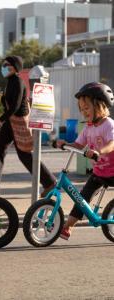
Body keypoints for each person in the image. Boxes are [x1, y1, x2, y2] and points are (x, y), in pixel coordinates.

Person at [0, 56, 56, 198]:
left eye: (7, 65)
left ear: (15, 68)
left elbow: (15, 106)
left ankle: (49, 182)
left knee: (25, 155)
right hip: (10, 121)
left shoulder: (18, 82)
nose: (4, 67)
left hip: (19, 122)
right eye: (3, 64)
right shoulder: (9, 82)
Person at [56, 82, 114, 240]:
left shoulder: (108, 125)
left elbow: (112, 144)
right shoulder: (88, 127)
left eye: (87, 108)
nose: (84, 112)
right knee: (81, 199)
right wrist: (64, 144)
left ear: (100, 105)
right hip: (99, 172)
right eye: (81, 109)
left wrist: (98, 152)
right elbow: (78, 145)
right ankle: (67, 228)